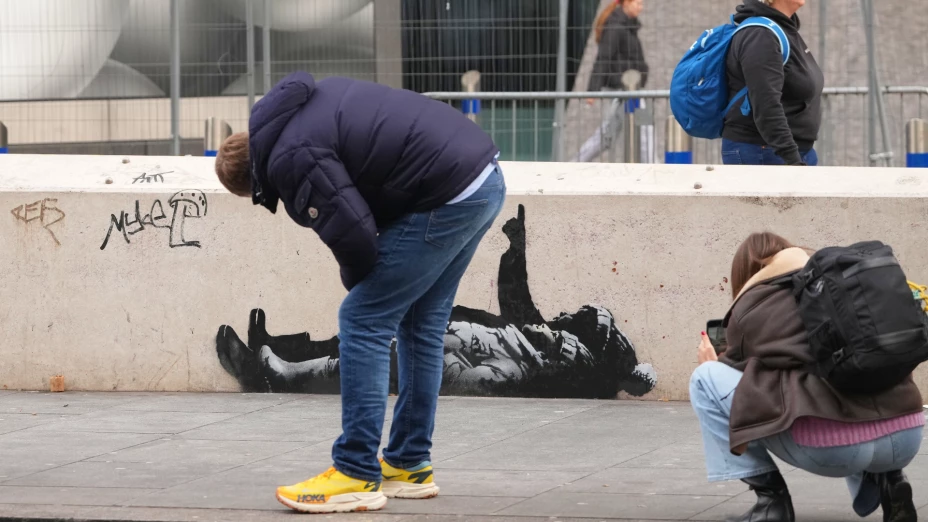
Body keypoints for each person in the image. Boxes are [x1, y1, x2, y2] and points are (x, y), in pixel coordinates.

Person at [213, 71, 505, 514]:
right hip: (480, 178)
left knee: (361, 319)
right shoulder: (302, 110)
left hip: (448, 193)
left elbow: (353, 233)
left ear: (252, 179)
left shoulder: (289, 157)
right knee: (421, 321)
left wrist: (363, 286)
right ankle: (408, 464)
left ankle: (354, 473)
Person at [690, 232, 923, 522]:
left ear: (745, 273)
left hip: (835, 449)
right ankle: (891, 483)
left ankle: (770, 503)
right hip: (907, 438)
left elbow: (736, 374)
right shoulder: (840, 287)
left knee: (704, 378)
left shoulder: (751, 305)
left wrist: (712, 361)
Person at [722, 0, 824, 166]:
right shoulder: (760, 35)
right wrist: (791, 158)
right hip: (764, 152)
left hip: (788, 150)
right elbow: (766, 104)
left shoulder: (784, 30)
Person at [573, 0, 648, 163]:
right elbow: (603, 58)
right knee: (639, 134)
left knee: (612, 135)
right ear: (626, 3)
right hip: (624, 92)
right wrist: (592, 90)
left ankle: (575, 163)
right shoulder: (616, 27)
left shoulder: (629, 27)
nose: (641, 7)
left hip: (633, 92)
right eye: (638, 3)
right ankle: (575, 164)